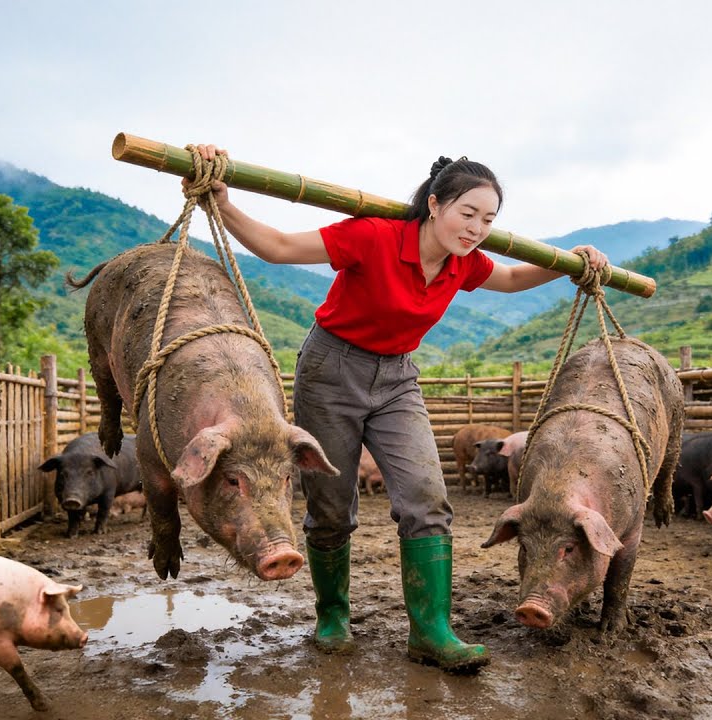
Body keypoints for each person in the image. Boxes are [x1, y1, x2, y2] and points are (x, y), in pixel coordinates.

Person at [186, 146, 609, 673]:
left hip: (398, 380)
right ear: (434, 204)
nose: (477, 228)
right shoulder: (374, 235)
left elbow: (511, 278)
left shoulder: (465, 263)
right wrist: (221, 202)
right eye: (467, 213)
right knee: (332, 503)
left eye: (489, 219)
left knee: (427, 498)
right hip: (330, 371)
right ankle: (332, 617)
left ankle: (431, 631)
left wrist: (572, 261)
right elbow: (276, 247)